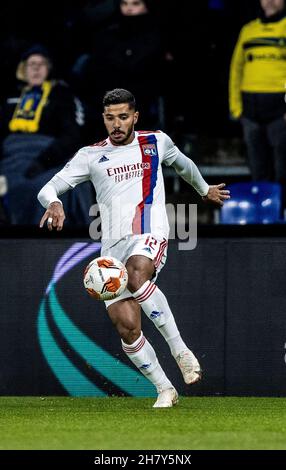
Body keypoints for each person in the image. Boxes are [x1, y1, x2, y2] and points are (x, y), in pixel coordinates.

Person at [37, 89, 230, 408]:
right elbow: (49, 187)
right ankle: (165, 388)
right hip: (111, 249)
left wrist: (204, 189)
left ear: (135, 117)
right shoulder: (90, 155)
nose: (116, 124)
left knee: (137, 275)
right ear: (103, 118)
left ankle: (180, 350)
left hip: (150, 230)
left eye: (123, 117)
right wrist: (55, 203)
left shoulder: (156, 141)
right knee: (127, 327)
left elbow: (183, 164)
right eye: (110, 118)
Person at [0, 44, 92, 225]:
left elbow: (70, 136)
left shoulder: (61, 95)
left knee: (49, 188)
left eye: (41, 64)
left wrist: (42, 162)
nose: (35, 68)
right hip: (12, 160)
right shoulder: (9, 98)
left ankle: (43, 244)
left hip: (47, 159)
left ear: (48, 69)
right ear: (23, 69)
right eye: (31, 64)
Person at [229, 0, 286, 186]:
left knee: (282, 167)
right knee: (257, 165)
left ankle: (282, 211)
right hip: (250, 109)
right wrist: (236, 108)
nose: (269, 1)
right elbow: (236, 70)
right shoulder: (248, 30)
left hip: (280, 109)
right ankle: (262, 211)